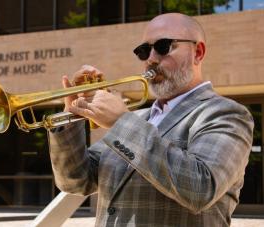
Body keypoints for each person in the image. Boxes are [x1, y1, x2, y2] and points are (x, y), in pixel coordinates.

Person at [48, 13, 254, 227]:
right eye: (144, 51)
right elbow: (76, 182)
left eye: (163, 47)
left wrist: (120, 122)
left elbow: (201, 188)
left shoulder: (227, 113)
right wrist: (72, 116)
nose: (151, 59)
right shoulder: (138, 118)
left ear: (198, 52)